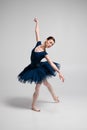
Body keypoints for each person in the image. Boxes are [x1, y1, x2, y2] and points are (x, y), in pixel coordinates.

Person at [18, 18, 64, 112]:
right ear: (46, 40)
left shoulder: (44, 54)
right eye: (50, 42)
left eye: (52, 44)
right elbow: (37, 31)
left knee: (37, 87)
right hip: (32, 68)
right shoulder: (38, 44)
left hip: (39, 70)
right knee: (46, 83)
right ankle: (55, 97)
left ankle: (33, 106)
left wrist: (59, 72)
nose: (51, 45)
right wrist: (37, 22)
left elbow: (51, 64)